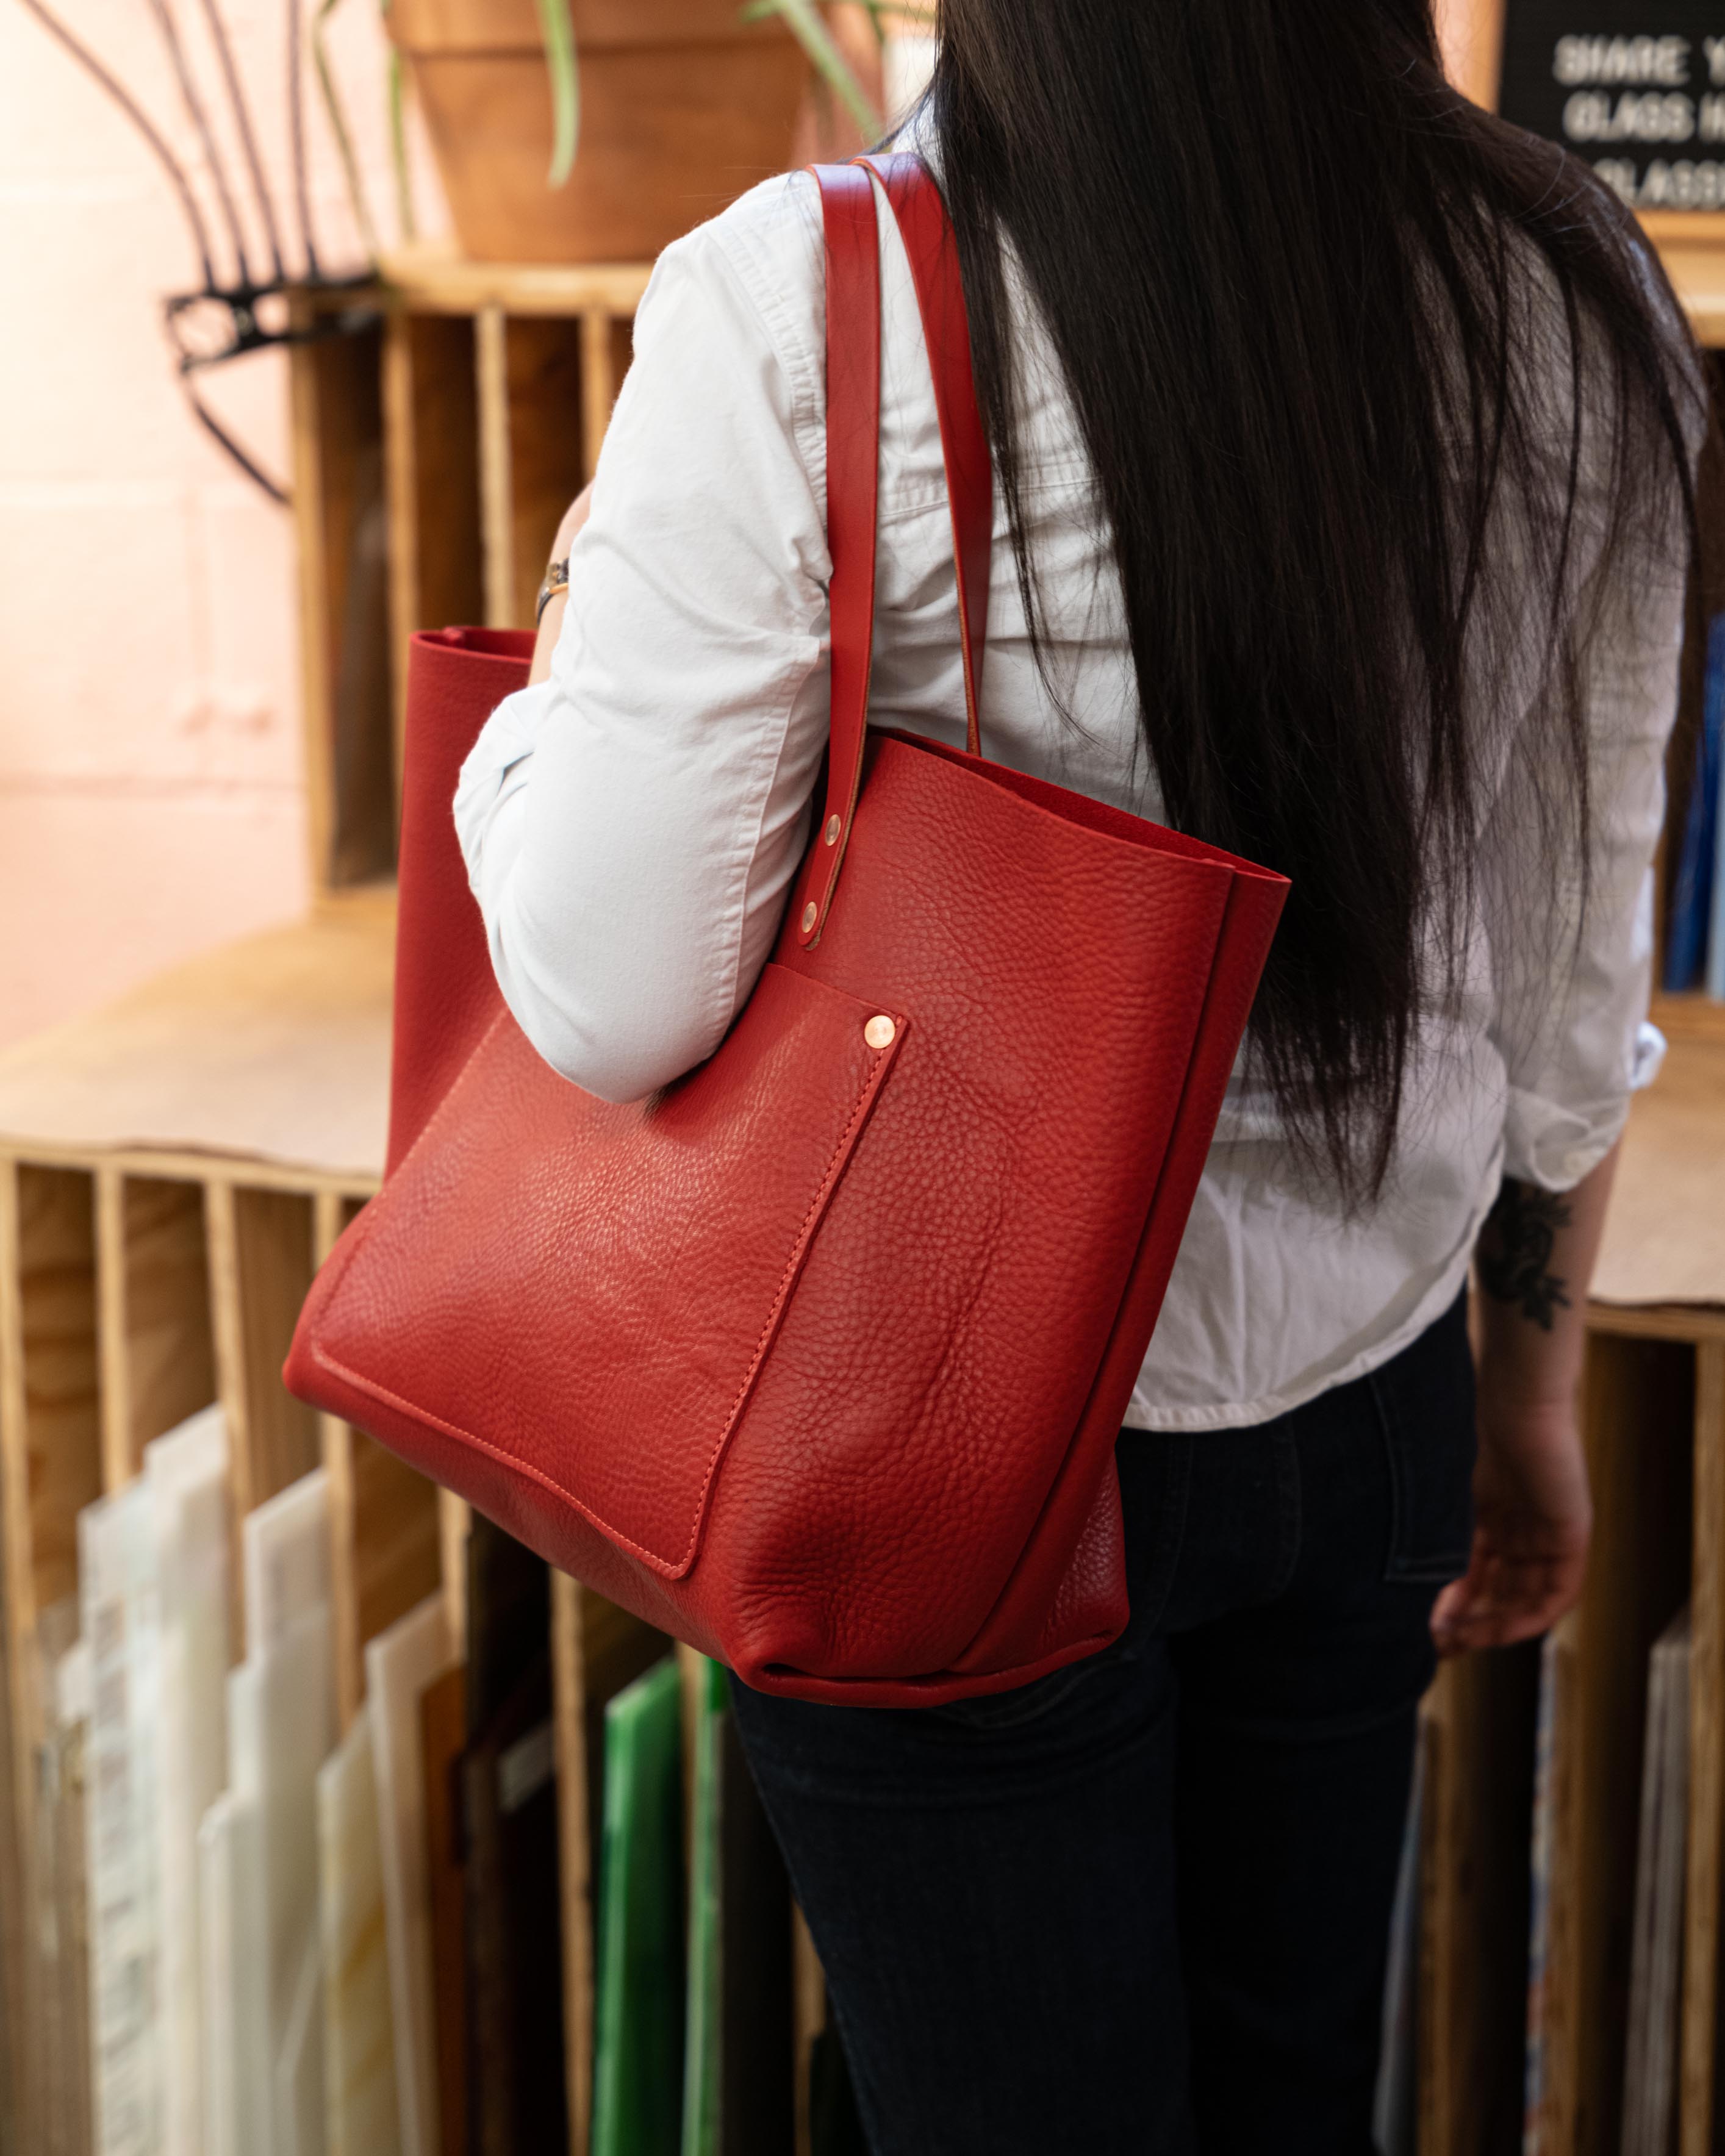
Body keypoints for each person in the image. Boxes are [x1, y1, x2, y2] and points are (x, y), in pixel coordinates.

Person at [453, 3, 1705, 2147]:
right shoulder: (1564, 282)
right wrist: (1528, 1395)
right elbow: (1562, 984)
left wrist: (542, 675)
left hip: (939, 1436)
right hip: (1372, 1410)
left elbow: (610, 995)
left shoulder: (808, 298)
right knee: (1286, 2093)